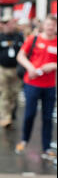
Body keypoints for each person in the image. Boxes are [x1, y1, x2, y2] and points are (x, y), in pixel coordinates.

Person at [15, 15, 57, 159]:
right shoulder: (33, 39)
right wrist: (30, 67)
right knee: (30, 114)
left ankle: (46, 147)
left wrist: (54, 65)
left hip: (50, 86)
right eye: (48, 24)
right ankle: (24, 140)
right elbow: (20, 56)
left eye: (53, 25)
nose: (50, 27)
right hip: (32, 83)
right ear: (43, 25)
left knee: (47, 117)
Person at [0, 15, 24, 128]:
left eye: (10, 23)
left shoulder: (18, 37)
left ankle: (10, 114)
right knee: (3, 93)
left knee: (14, 94)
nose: (8, 25)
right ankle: (5, 117)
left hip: (15, 69)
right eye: (5, 23)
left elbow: (24, 53)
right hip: (1, 69)